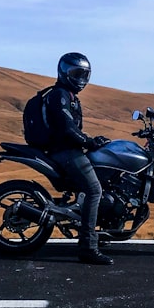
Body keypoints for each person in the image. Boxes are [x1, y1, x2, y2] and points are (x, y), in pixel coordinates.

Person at [43, 52, 113, 265]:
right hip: (64, 152)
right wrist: (89, 141)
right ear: (64, 72)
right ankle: (88, 248)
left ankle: (94, 231)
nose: (81, 78)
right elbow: (67, 128)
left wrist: (90, 142)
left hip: (68, 150)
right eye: (77, 73)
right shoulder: (59, 95)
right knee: (94, 190)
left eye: (84, 74)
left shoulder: (68, 96)